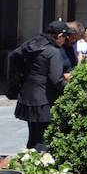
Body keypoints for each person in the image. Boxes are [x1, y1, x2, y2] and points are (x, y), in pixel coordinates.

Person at [13, 21, 72, 150]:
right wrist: (71, 90)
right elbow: (56, 80)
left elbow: (14, 55)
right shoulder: (53, 51)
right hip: (45, 99)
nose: (66, 40)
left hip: (28, 95)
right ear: (60, 35)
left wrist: (23, 74)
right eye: (66, 37)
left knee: (33, 135)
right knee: (43, 139)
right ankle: (39, 167)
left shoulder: (31, 44)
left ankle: (29, 161)